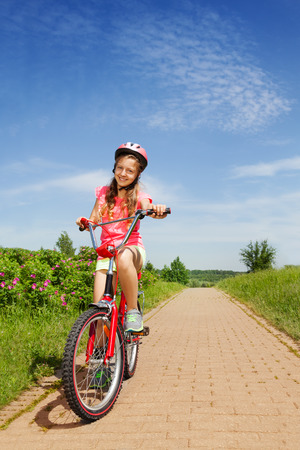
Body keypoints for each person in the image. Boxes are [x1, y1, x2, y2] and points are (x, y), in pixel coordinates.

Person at [76, 142, 167, 333]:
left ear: (137, 174)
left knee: (123, 256)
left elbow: (147, 207)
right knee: (99, 310)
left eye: (130, 171)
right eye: (120, 168)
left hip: (131, 250)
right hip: (106, 254)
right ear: (114, 168)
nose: (123, 174)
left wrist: (155, 210)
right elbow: (93, 219)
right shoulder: (102, 193)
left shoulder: (140, 195)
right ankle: (99, 356)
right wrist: (85, 222)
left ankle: (133, 312)